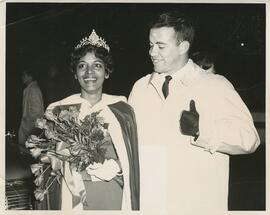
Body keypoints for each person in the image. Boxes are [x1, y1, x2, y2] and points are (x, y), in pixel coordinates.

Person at [128, 11, 260, 213]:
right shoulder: (140, 88)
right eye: (150, 45)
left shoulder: (214, 85)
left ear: (183, 46)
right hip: (150, 204)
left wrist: (202, 131)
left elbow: (250, 139)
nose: (152, 52)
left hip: (196, 203)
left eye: (161, 46)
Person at [45, 29, 140, 210]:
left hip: (113, 193)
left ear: (107, 72)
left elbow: (135, 158)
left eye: (97, 65)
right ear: (75, 73)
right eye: (82, 66)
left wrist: (117, 166)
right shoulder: (59, 111)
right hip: (73, 197)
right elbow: (49, 162)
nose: (89, 72)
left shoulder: (122, 109)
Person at [18, 68, 44, 146]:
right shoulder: (28, 89)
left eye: (24, 75)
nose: (22, 77)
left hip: (31, 128)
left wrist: (28, 121)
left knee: (30, 151)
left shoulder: (34, 89)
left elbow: (38, 111)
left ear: (30, 77)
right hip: (27, 127)